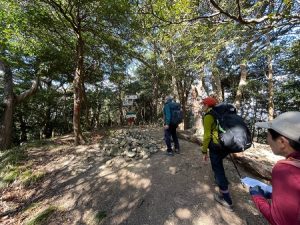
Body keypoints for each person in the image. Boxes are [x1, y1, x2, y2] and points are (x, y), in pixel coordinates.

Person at [250, 111, 300, 225]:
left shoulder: (285, 169)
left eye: (268, 134)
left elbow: (278, 221)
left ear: (282, 142)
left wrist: (257, 196)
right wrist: (275, 193)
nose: (267, 139)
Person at [201, 96, 234, 210]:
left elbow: (206, 136)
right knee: (219, 166)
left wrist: (204, 151)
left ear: (207, 105)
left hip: (215, 146)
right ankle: (221, 181)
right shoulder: (219, 113)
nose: (202, 106)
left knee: (218, 169)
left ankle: (227, 200)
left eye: (203, 104)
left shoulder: (208, 116)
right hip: (225, 144)